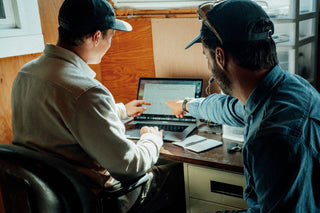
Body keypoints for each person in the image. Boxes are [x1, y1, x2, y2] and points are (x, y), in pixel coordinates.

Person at [11, 0, 185, 212]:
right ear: (96, 37)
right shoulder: (87, 91)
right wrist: (152, 140)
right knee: (176, 174)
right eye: (111, 36)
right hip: (93, 200)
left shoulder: (27, 73)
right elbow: (129, 167)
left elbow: (64, 117)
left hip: (46, 198)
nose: (110, 44)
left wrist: (120, 110)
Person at [166, 0, 320, 212]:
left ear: (219, 57)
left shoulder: (272, 138)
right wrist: (186, 105)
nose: (208, 65)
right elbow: (229, 108)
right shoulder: (288, 88)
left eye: (206, 56)